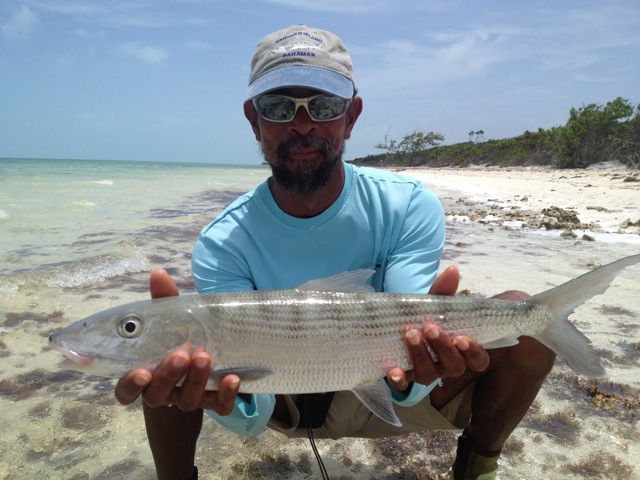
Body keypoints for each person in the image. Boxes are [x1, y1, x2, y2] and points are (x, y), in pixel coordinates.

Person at [115, 25, 556, 480]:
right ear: (254, 119)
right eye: (279, 107)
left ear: (351, 116)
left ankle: (477, 465)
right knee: (162, 366)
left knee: (530, 323)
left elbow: (406, 353)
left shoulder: (407, 204)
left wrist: (422, 367)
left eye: (323, 106)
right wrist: (217, 397)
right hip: (287, 403)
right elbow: (253, 407)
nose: (301, 124)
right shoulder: (221, 241)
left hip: (392, 388)